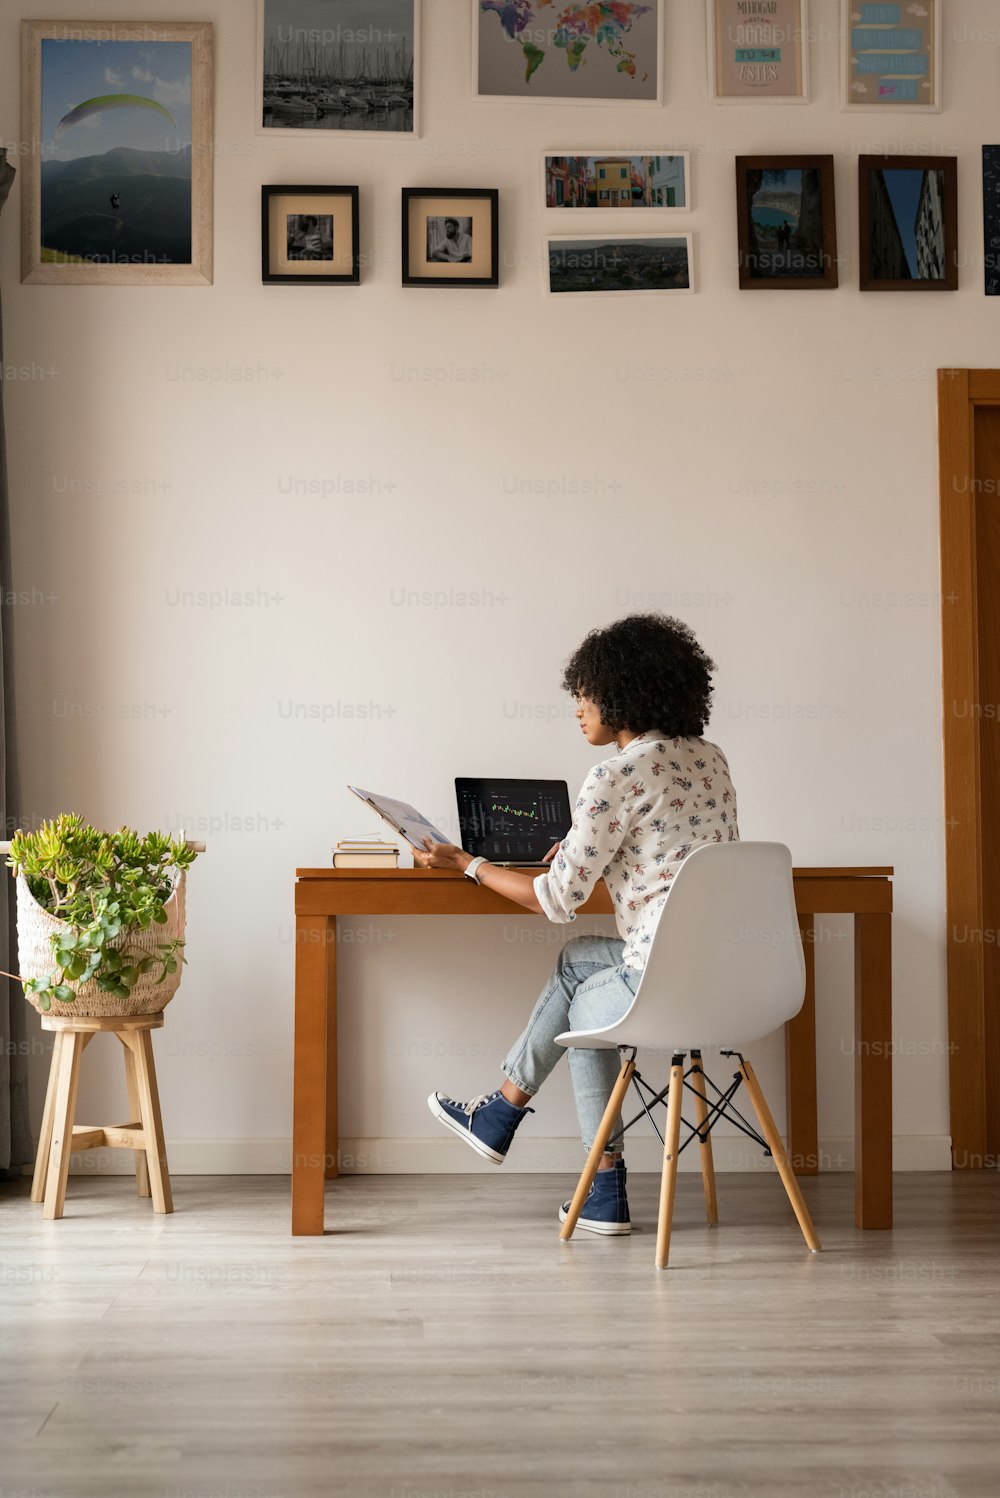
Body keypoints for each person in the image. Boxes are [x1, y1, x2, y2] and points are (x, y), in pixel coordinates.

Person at [416, 613, 740, 1236]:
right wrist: (583, 845)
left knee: (583, 1007)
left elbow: (551, 900)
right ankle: (510, 1122)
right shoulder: (711, 759)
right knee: (576, 961)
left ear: (622, 693)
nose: (578, 708)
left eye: (585, 693)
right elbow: (672, 845)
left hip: (662, 982)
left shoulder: (614, 775)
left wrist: (466, 862)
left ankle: (590, 1178)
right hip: (732, 981)